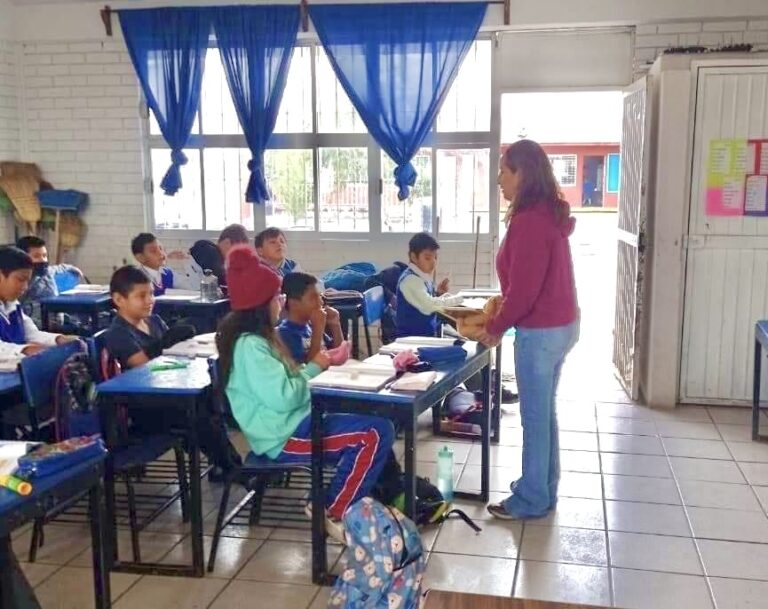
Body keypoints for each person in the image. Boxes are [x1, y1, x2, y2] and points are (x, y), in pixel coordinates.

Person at [217, 245, 394, 540]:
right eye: (277, 297)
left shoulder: (262, 339)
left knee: (376, 417)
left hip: (295, 422)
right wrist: (316, 365)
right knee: (373, 434)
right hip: (282, 436)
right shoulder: (250, 346)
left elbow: (287, 381)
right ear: (262, 304)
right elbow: (286, 396)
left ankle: (360, 497)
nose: (281, 302)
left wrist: (318, 365)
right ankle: (330, 510)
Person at [479, 139, 579, 521]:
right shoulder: (544, 214)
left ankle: (531, 498)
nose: (499, 179)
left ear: (523, 174)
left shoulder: (530, 222)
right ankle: (544, 489)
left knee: (535, 418)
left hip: (540, 332)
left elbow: (523, 290)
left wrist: (496, 327)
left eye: (505, 170)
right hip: (560, 326)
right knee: (544, 413)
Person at [103, 265, 241, 477]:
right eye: (141, 296)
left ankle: (227, 464)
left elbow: (175, 354)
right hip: (145, 408)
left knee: (211, 400)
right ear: (119, 299)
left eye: (150, 293)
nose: (150, 300)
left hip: (170, 392)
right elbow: (143, 367)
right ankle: (231, 467)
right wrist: (163, 345)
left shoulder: (154, 321)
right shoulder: (118, 334)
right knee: (199, 413)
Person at [0, 246, 79, 357]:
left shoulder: (12, 304)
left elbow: (31, 334)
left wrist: (59, 339)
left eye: (27, 281)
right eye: (20, 279)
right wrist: (27, 350)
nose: (25, 287)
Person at [395, 232, 462, 338]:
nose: (433, 262)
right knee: (462, 345)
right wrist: (460, 299)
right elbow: (429, 306)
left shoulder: (421, 275)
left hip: (427, 333)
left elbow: (425, 301)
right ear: (413, 257)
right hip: (413, 339)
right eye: (427, 258)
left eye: (435, 257)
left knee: (462, 338)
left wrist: (438, 294)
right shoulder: (410, 280)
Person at [16, 235, 84, 326]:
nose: (42, 260)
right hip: (34, 326)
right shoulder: (18, 281)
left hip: (57, 322)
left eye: (44, 256)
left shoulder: (48, 271)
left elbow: (59, 268)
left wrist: (72, 268)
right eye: (36, 256)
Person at [277, 272, 343, 364]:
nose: (320, 303)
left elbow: (338, 357)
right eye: (313, 298)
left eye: (320, 297)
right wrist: (318, 329)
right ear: (294, 303)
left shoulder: (309, 326)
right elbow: (309, 370)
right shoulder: (284, 335)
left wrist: (335, 324)